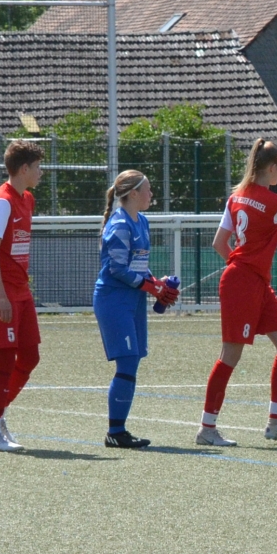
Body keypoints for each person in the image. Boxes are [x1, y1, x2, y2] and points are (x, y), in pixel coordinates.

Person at [202, 139, 277, 446]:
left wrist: (240, 267)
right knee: (231, 354)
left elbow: (219, 243)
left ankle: (276, 422)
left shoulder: (236, 197)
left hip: (252, 282)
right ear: (271, 168)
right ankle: (207, 428)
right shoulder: (275, 202)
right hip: (245, 283)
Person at [96, 169, 177, 448]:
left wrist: (158, 283)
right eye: (148, 189)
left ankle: (118, 431)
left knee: (134, 359)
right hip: (114, 299)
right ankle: (115, 432)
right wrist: (151, 288)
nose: (151, 194)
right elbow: (117, 269)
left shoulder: (141, 220)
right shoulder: (120, 224)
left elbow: (139, 266)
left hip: (133, 299)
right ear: (133, 194)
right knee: (128, 360)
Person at [0, 139, 44, 453]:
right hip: (0, 292)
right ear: (24, 168)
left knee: (30, 357)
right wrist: (0, 296)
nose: (41, 172)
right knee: (4, 359)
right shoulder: (2, 202)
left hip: (20, 290)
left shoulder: (27, 199)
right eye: (38, 167)